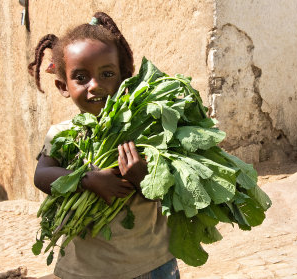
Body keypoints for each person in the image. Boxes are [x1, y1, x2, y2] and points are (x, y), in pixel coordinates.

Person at [28, 12, 180, 279]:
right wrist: (87, 180)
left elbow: (171, 195)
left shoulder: (147, 130)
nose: (95, 85)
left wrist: (143, 179)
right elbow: (42, 175)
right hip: (85, 270)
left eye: (107, 73)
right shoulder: (63, 134)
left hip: (150, 264)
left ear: (124, 77)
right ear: (63, 86)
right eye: (81, 77)